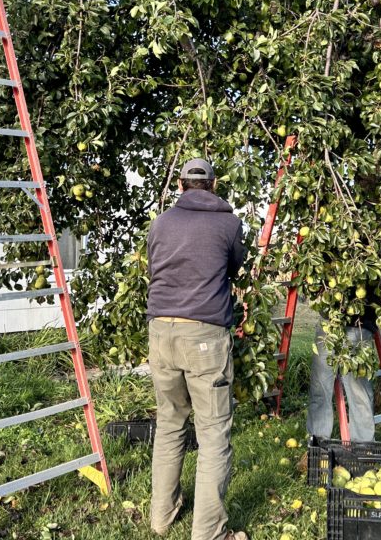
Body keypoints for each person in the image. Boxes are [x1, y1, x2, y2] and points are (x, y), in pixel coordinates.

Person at [146, 158, 248, 540]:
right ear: (213, 184)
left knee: (170, 423)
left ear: (180, 184)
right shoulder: (228, 223)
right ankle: (210, 533)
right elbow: (234, 266)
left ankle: (162, 517)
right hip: (204, 335)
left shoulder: (160, 223)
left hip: (161, 332)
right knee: (213, 435)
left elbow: (156, 268)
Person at [306, 293, 378, 444]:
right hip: (328, 325)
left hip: (359, 326)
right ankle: (318, 445)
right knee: (320, 389)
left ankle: (363, 446)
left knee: (359, 392)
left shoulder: (375, 269)